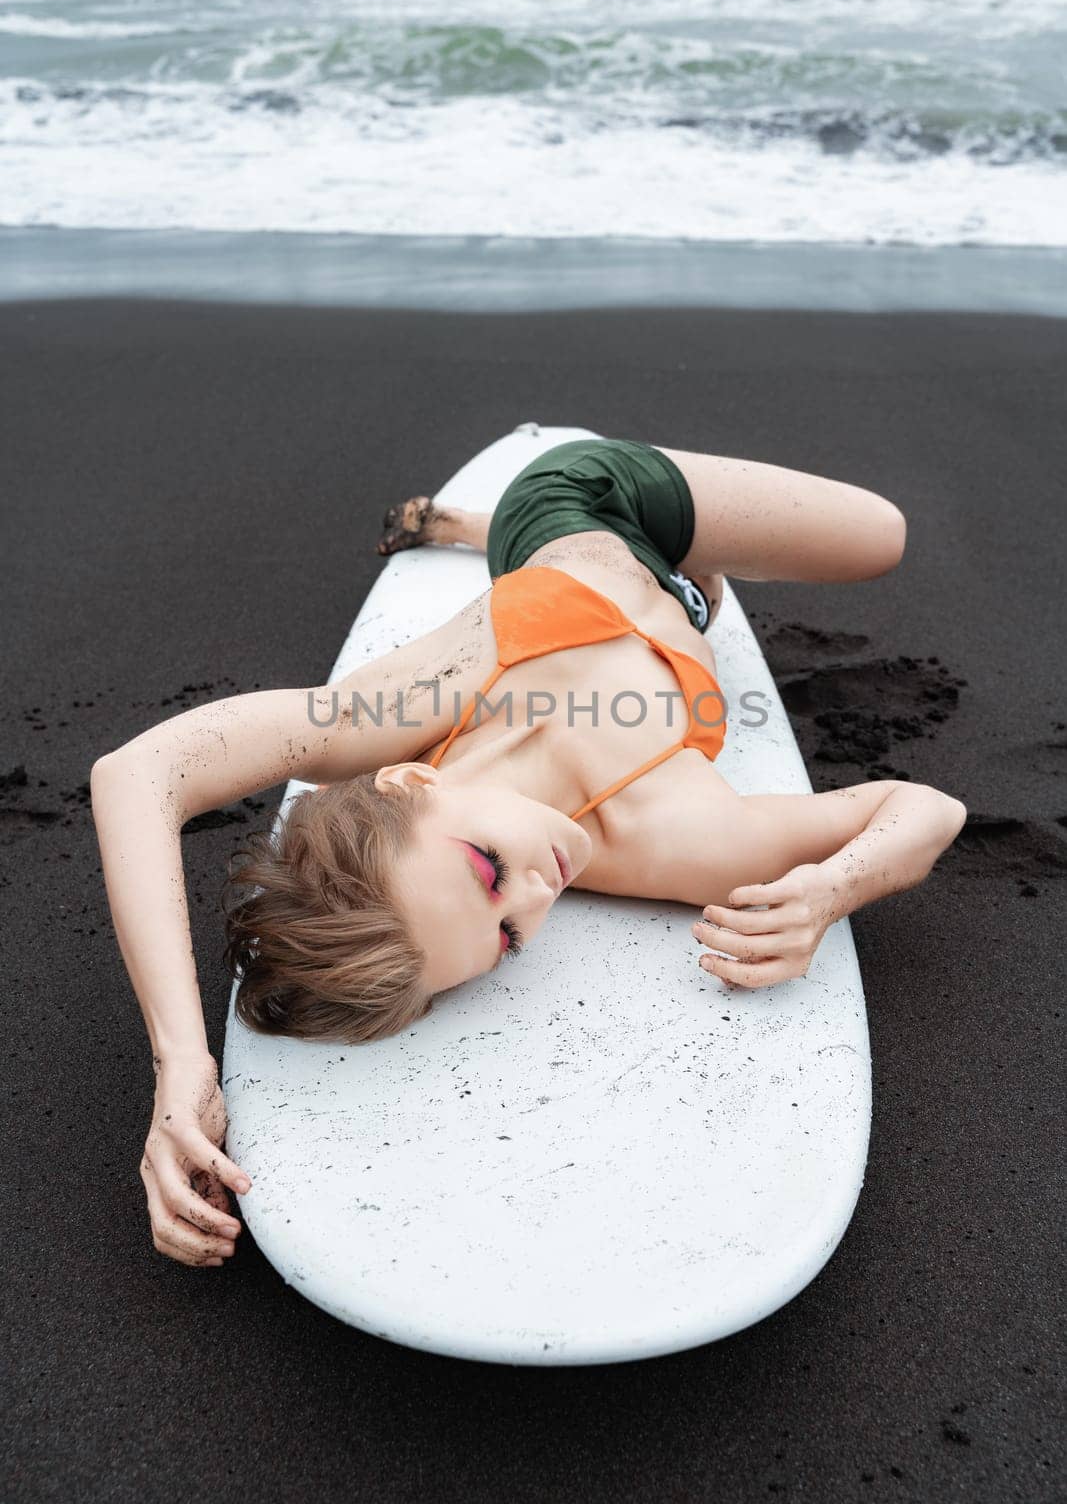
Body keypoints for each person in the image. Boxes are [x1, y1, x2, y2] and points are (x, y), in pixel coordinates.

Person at [90, 435, 967, 1268]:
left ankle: (481, 529)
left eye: (485, 870)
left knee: (880, 537)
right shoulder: (667, 841)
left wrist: (183, 1058)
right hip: (681, 603)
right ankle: (662, 578)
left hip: (581, 501)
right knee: (709, 595)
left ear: (411, 785)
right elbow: (920, 807)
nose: (542, 892)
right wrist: (830, 889)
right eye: (508, 936)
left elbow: (139, 773)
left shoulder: (409, 707)